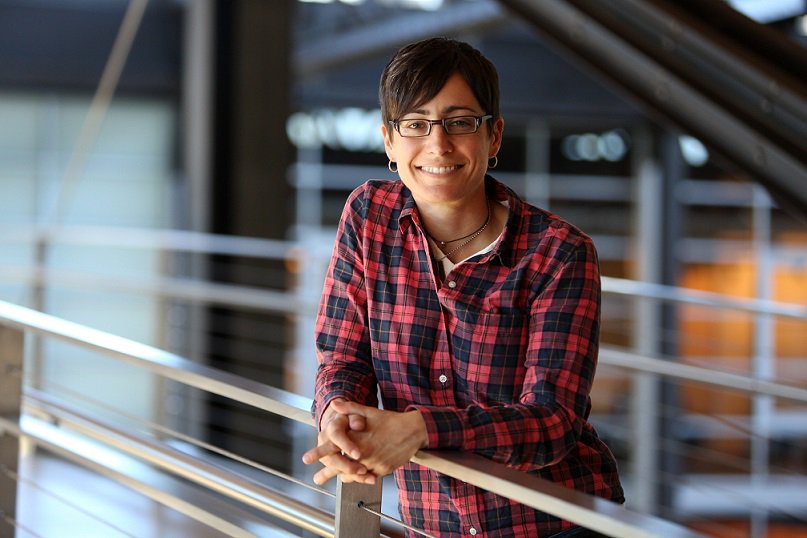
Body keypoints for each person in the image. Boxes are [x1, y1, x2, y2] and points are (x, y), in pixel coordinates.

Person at [302, 36, 624, 538]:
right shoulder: (369, 217)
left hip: (554, 525)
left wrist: (421, 428)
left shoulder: (559, 253)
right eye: (416, 124)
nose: (438, 145)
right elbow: (343, 357)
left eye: (460, 122)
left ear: (494, 136)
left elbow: (553, 422)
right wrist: (339, 416)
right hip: (432, 524)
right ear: (389, 141)